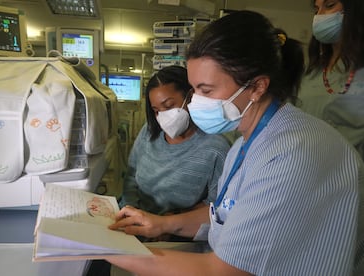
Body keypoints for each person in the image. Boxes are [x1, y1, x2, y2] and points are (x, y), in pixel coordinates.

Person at [104, 10, 364, 275]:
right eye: (195, 91)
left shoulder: (293, 152)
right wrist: (161, 224)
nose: (196, 103)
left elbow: (221, 271)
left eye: (206, 91)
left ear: (257, 87)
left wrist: (102, 248)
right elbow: (226, 214)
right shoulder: (244, 145)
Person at [119, 65, 230, 219]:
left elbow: (216, 204)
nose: (163, 116)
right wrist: (130, 209)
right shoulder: (149, 131)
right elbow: (131, 178)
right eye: (157, 110)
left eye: (169, 105)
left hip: (176, 232)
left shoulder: (215, 149)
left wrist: (169, 222)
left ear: (190, 97)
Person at [298, 0, 364, 159]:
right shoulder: (311, 70)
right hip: (307, 166)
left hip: (351, 174)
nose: (320, 15)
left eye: (329, 6)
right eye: (316, 9)